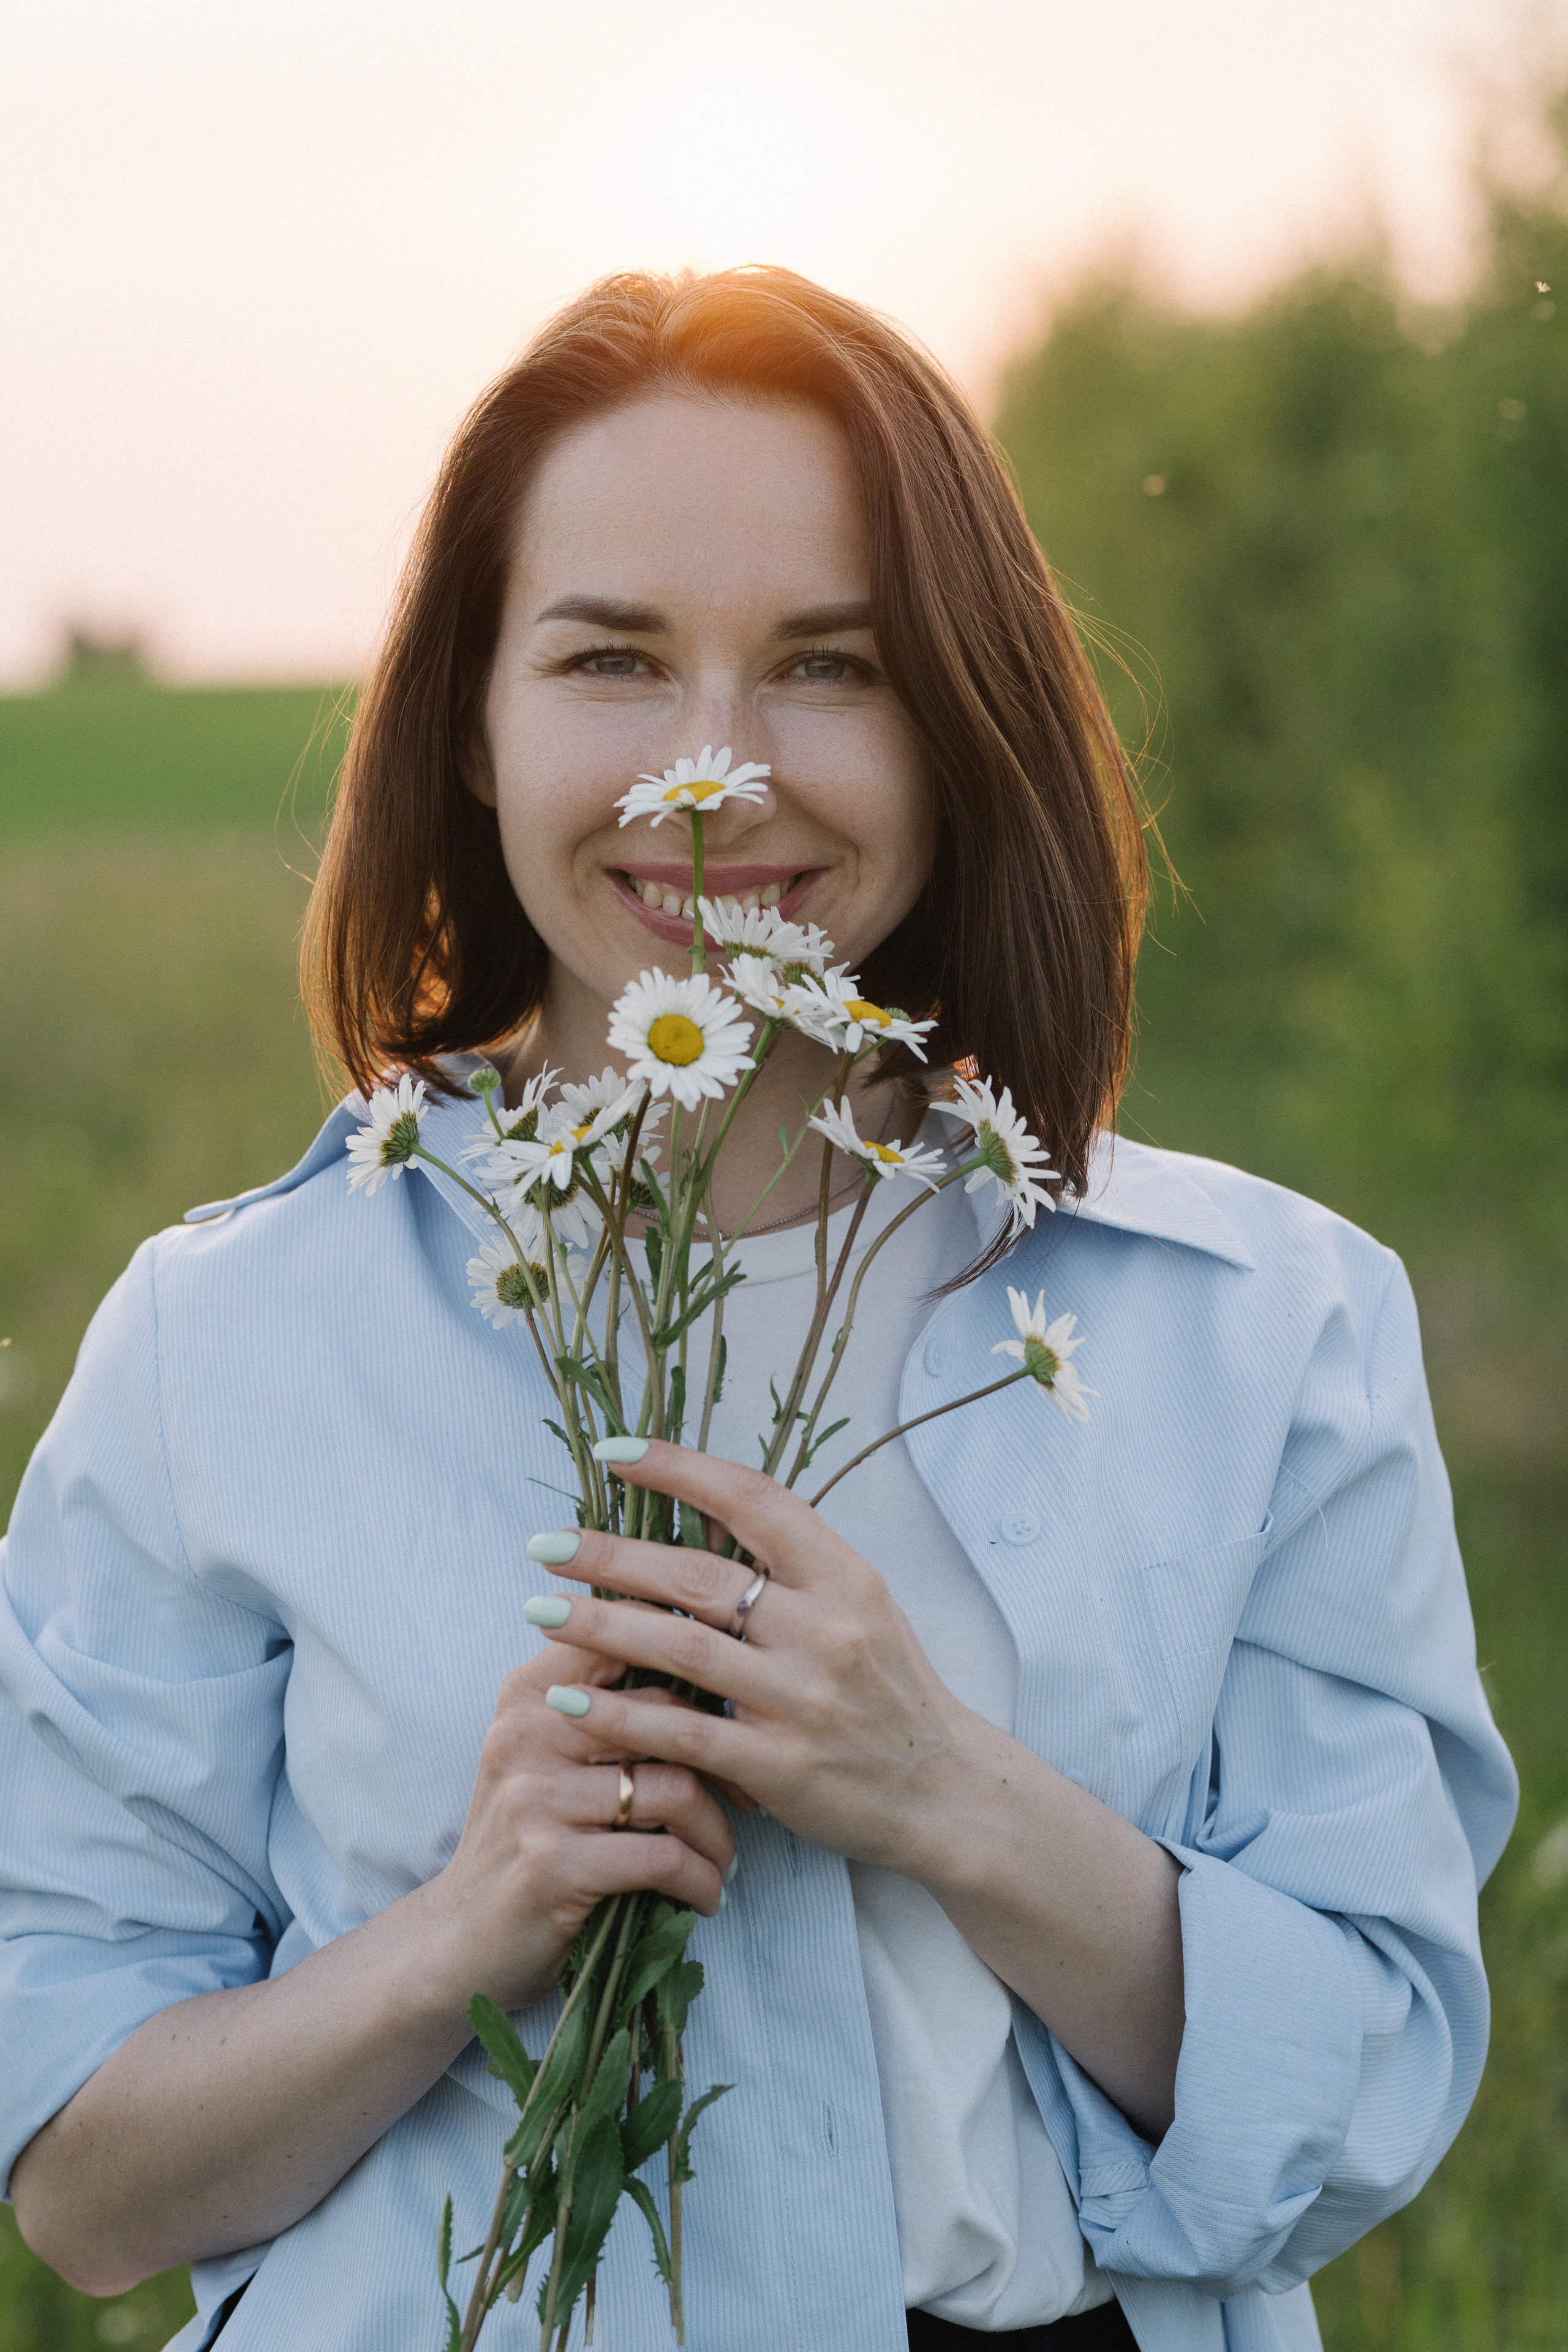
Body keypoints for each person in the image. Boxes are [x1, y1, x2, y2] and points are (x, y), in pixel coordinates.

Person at [1, 269, 1516, 2352]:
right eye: (612, 657)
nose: (711, 778)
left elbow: (1376, 2098)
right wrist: (465, 1931)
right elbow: (80, 2188)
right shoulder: (222, 1341)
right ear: (474, 710)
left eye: (831, 666)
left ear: (958, 714)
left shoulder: (1266, 1331)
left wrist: (941, 1790)